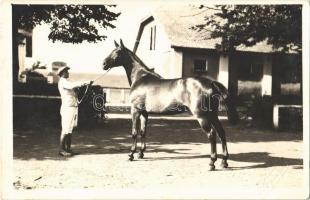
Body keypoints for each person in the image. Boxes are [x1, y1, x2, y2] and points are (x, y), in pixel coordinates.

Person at [57, 65, 93, 156]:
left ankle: (68, 149)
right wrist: (85, 82)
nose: (68, 73)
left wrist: (86, 85)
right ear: (62, 73)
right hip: (67, 108)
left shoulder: (67, 82)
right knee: (65, 129)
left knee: (69, 130)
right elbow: (72, 85)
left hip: (72, 107)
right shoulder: (63, 82)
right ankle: (61, 150)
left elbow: (75, 91)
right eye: (66, 71)